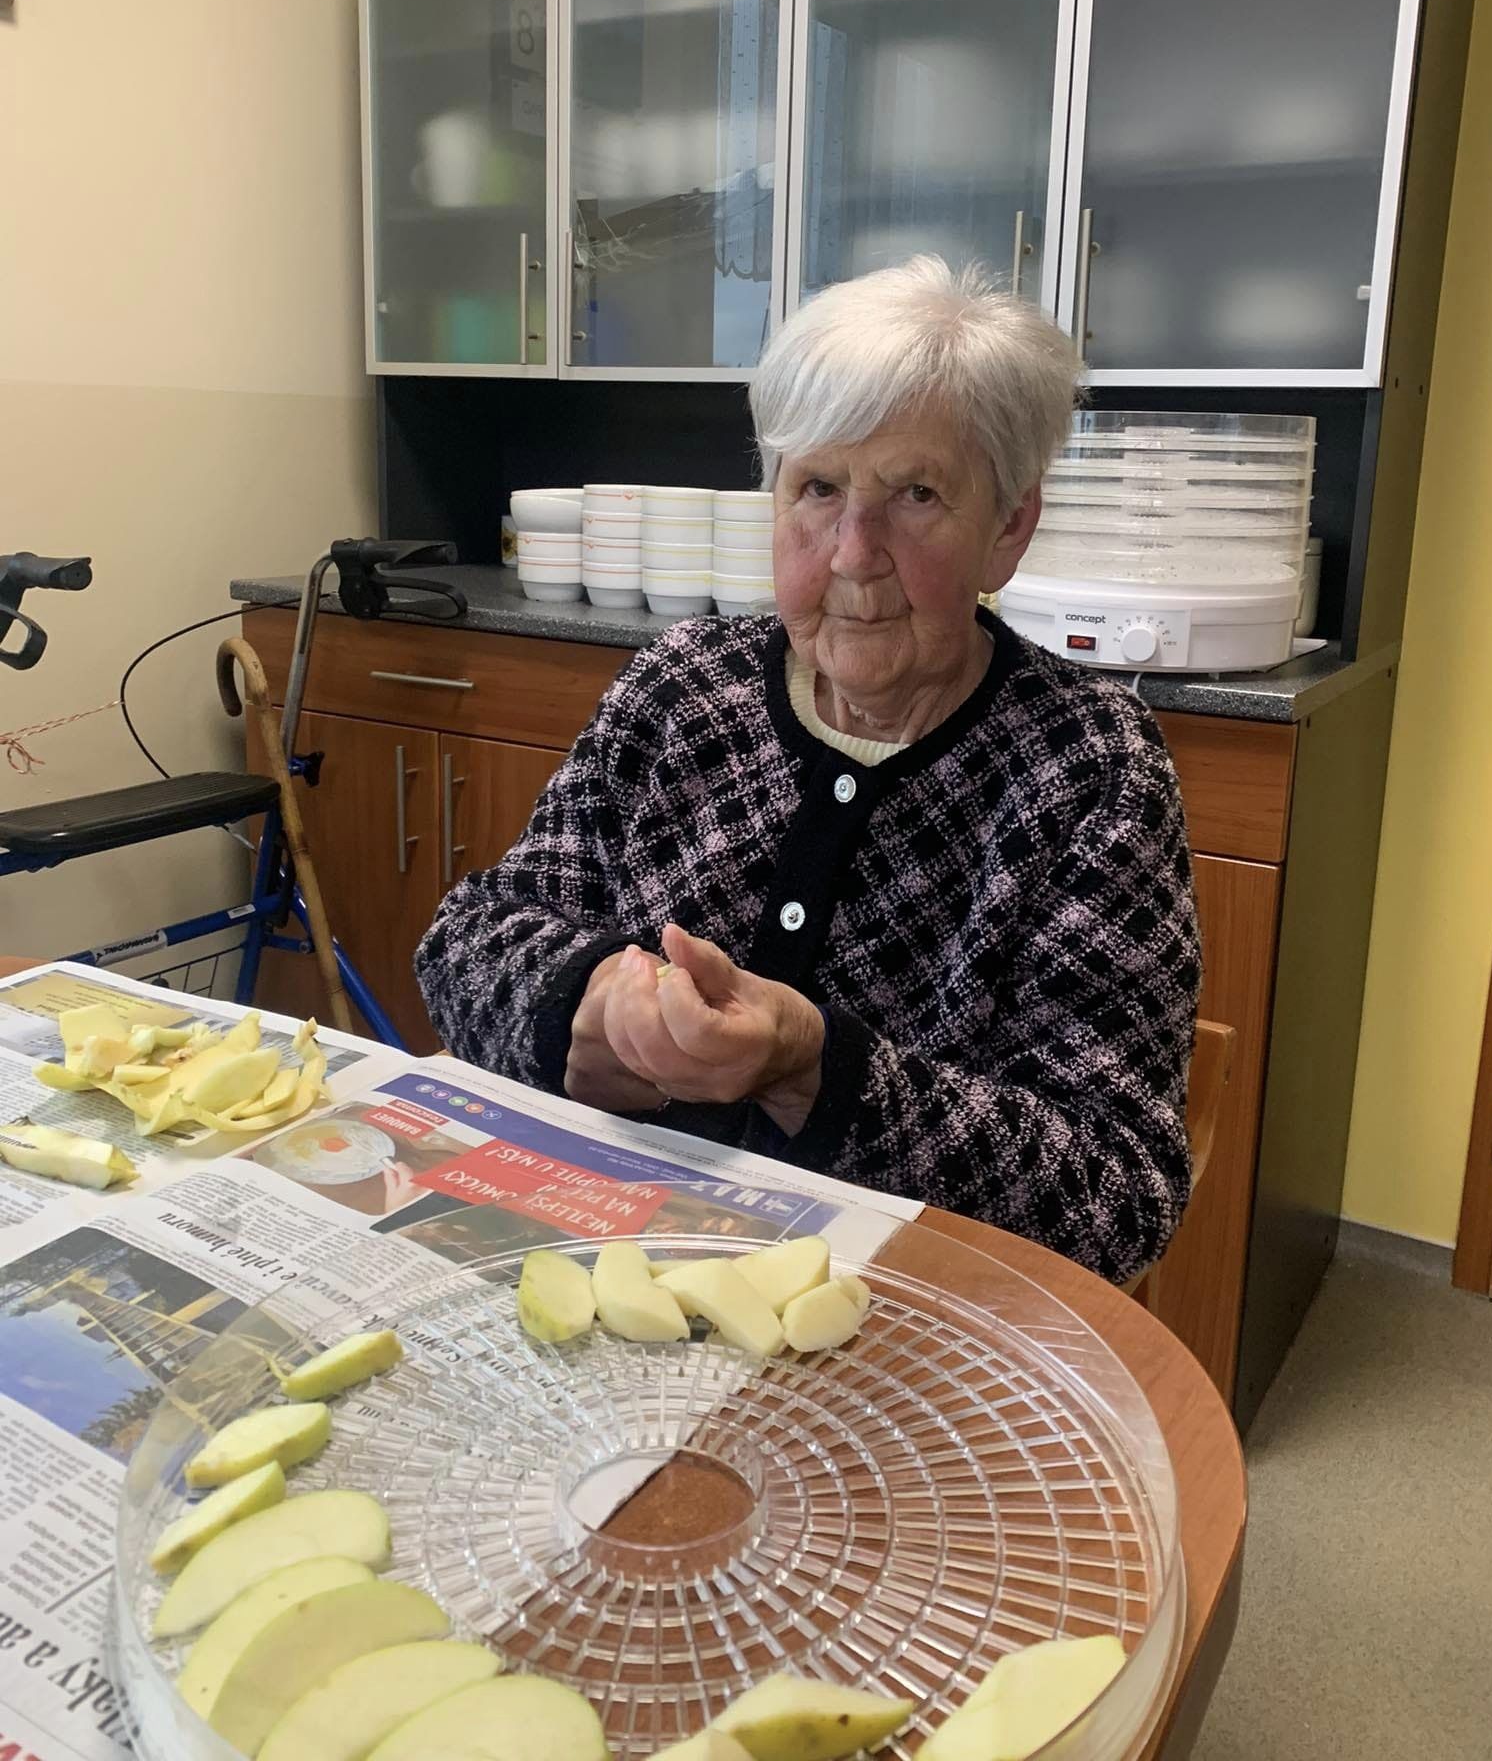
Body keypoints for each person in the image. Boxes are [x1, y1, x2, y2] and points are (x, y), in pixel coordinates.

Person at [416, 257, 1201, 1282]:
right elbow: (465, 942)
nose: (852, 552)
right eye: (819, 488)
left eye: (917, 493)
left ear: (1009, 527)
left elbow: (1116, 1191)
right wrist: (592, 1001)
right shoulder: (684, 688)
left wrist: (812, 1070)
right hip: (609, 1257)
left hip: (889, 1307)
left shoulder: (1089, 765)